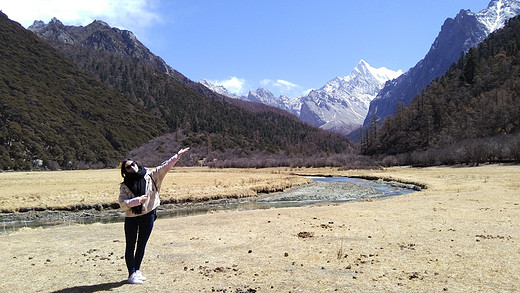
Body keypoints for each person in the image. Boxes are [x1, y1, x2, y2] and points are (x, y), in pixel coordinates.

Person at [118, 147, 190, 284]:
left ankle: (137, 270)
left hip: (148, 215)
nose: (132, 167)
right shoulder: (125, 185)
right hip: (131, 218)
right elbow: (122, 203)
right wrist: (136, 201)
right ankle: (131, 273)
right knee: (130, 245)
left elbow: (165, 167)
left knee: (141, 244)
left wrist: (177, 156)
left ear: (136, 164)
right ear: (125, 171)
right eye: (128, 167)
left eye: (133, 164)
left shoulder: (150, 176)